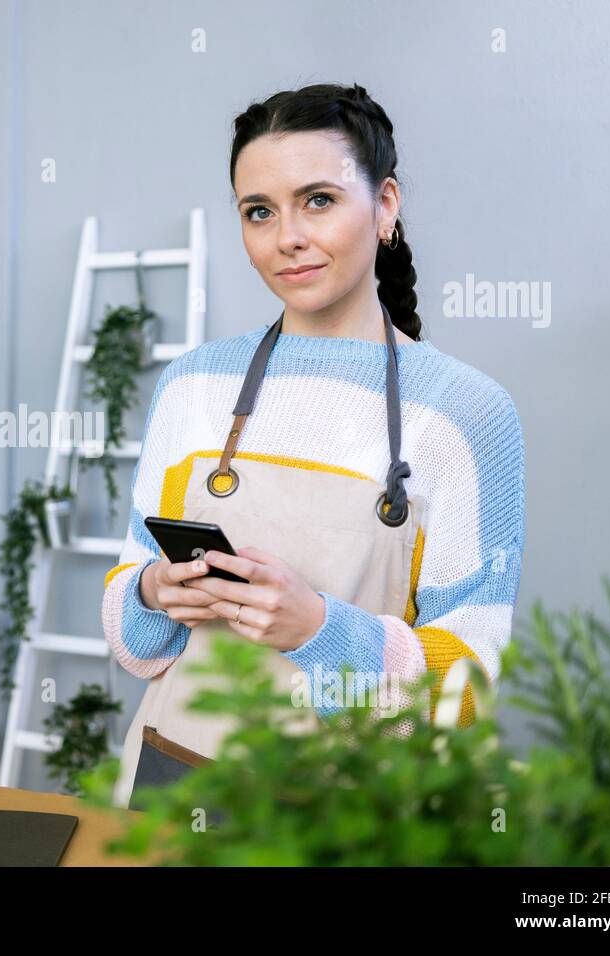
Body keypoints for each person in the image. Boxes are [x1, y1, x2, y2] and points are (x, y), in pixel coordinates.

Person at [101, 83, 526, 810]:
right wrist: (150, 592)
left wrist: (321, 630)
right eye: (259, 212)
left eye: (318, 200)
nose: (286, 236)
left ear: (385, 206)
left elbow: (467, 689)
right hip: (177, 777)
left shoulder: (464, 414)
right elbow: (136, 642)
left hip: (351, 804)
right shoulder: (193, 385)